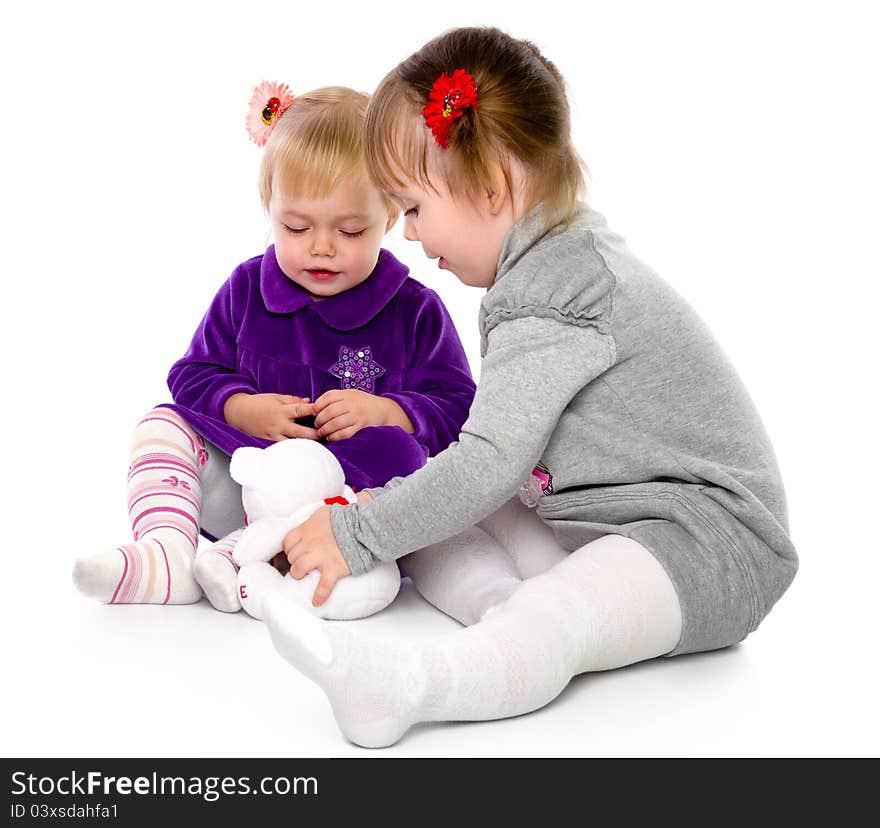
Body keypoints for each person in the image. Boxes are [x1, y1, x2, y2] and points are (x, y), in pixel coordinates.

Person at [262, 28, 800, 748]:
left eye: (413, 209)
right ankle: (504, 614)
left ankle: (412, 687)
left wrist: (359, 532)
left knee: (550, 601)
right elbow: (482, 471)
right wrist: (377, 515)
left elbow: (490, 460)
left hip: (705, 544)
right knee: (443, 506)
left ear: (494, 185)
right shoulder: (552, 258)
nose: (412, 237)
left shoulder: (554, 291)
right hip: (608, 518)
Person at [72, 83, 476, 612]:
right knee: (161, 423)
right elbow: (193, 372)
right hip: (244, 482)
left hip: (339, 506)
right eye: (296, 226)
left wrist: (391, 411)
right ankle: (169, 551)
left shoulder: (413, 310)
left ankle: (244, 562)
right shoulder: (247, 288)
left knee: (402, 462)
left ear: (391, 217)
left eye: (351, 231)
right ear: (270, 208)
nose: (322, 247)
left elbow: (462, 409)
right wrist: (241, 406)